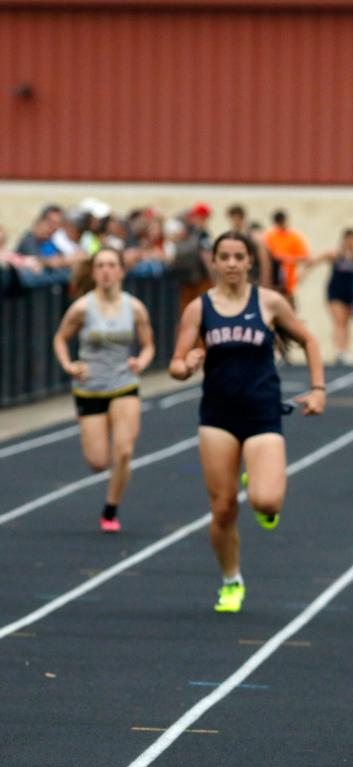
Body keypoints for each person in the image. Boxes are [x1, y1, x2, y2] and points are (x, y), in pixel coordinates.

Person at [168, 231, 326, 613]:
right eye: (225, 256)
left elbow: (308, 340)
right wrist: (185, 366)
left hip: (262, 413)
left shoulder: (270, 302)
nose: (233, 263)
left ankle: (256, 480)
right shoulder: (199, 308)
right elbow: (176, 363)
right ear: (215, 262)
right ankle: (231, 580)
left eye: (240, 256)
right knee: (223, 510)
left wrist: (318, 388)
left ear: (250, 262)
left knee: (267, 500)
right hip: (218, 418)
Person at [51, 247, 155, 533]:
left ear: (121, 271)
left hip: (124, 383)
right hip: (90, 387)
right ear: (94, 272)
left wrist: (141, 362)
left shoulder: (134, 307)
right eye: (101, 266)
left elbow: (148, 345)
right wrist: (69, 365)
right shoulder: (82, 308)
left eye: (112, 265)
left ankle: (111, 509)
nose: (106, 271)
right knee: (98, 462)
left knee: (123, 452)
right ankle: (109, 470)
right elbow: (60, 339)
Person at [305, 228, 353, 365]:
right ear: (345, 239)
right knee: (339, 321)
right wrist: (303, 270)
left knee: (346, 322)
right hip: (335, 290)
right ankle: (339, 350)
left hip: (350, 290)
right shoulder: (335, 254)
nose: (352, 242)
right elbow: (315, 261)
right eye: (350, 239)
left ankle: (345, 349)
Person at [263, 210, 311, 305]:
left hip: (288, 283)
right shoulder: (270, 236)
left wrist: (288, 259)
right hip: (273, 281)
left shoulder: (294, 237)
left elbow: (305, 257)